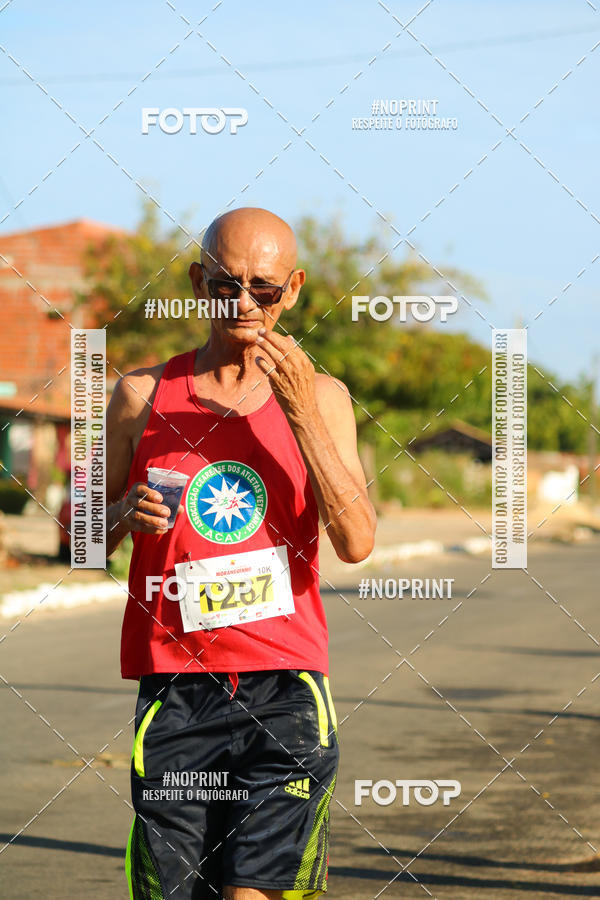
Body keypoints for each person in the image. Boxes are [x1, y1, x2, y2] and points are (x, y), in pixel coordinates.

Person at [105, 207, 376, 900]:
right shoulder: (140, 394)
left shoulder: (326, 397)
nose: (245, 304)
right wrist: (117, 514)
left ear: (292, 291)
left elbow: (356, 542)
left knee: (255, 891)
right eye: (228, 284)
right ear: (200, 282)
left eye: (264, 288)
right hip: (177, 688)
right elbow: (76, 539)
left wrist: (302, 415)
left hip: (285, 686)